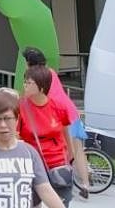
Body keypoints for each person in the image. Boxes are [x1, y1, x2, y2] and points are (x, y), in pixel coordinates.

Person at [0, 87, 67, 208]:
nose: (3, 125)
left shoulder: (29, 153)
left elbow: (45, 190)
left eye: (7, 118)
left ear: (17, 119)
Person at [23, 47, 90, 197]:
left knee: (63, 149)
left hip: (58, 116)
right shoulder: (51, 72)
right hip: (71, 111)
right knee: (78, 150)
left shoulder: (36, 78)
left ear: (28, 63)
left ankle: (61, 179)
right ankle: (85, 184)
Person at [19, 64, 80, 205]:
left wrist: (71, 154)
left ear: (41, 87)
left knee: (61, 203)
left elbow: (65, 130)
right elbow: (15, 135)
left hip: (57, 162)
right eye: (25, 82)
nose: (25, 86)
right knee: (31, 203)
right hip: (31, 163)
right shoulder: (20, 107)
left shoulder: (58, 106)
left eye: (29, 83)